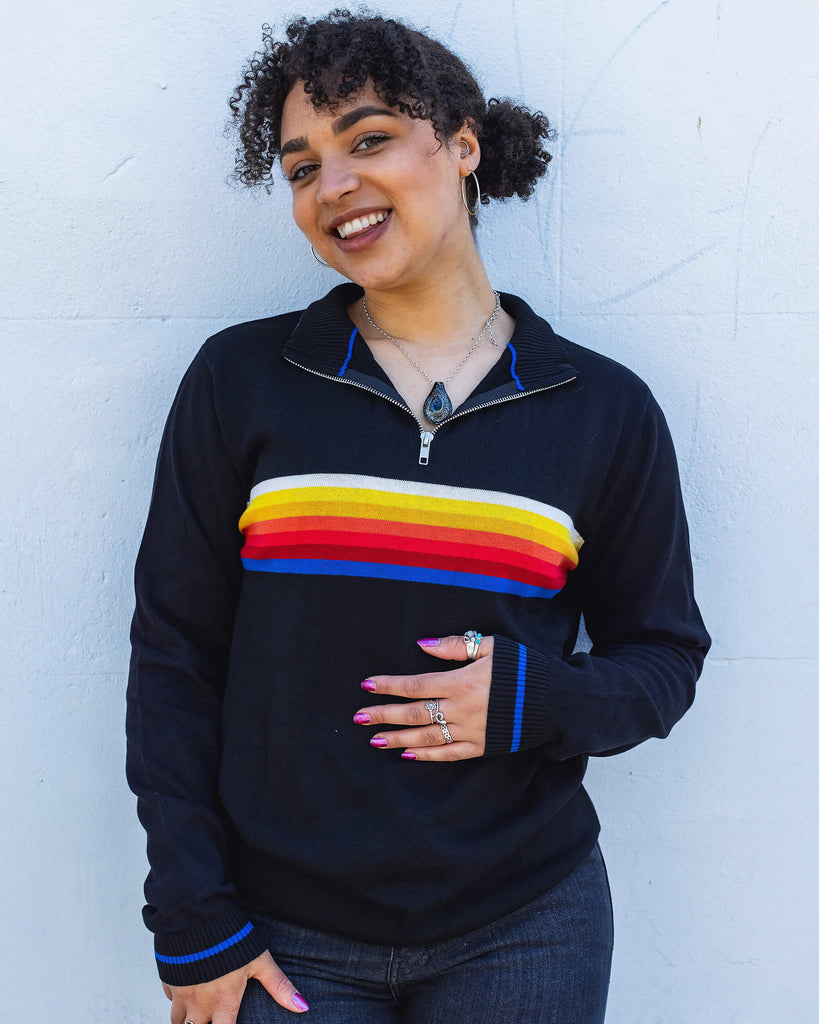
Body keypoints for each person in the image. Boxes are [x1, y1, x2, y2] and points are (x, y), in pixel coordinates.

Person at [127, 10, 710, 1024]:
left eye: (368, 139)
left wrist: (536, 702)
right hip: (281, 934)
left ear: (463, 143)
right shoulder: (244, 382)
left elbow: (662, 657)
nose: (334, 187)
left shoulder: (602, 410)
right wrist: (192, 917)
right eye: (302, 167)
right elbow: (173, 661)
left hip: (527, 921)